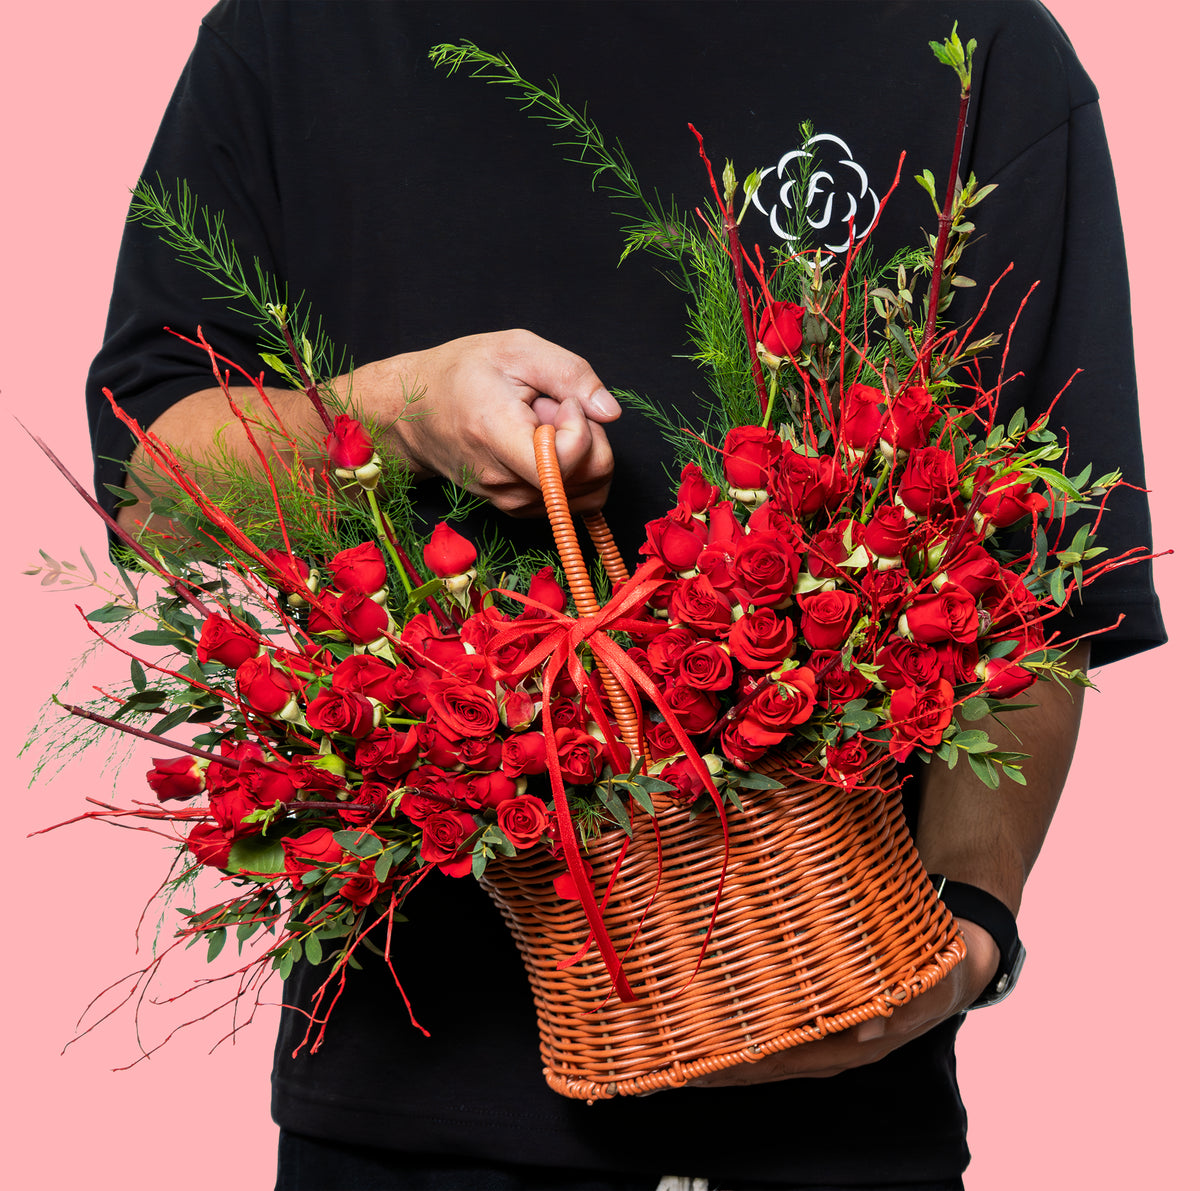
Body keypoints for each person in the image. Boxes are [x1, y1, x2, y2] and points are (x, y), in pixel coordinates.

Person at [86, 3, 1164, 1188]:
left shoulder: (971, 41)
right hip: (415, 1120)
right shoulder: (301, 32)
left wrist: (971, 927)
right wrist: (397, 411)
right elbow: (153, 479)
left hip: (841, 1112)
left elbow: (1039, 590)